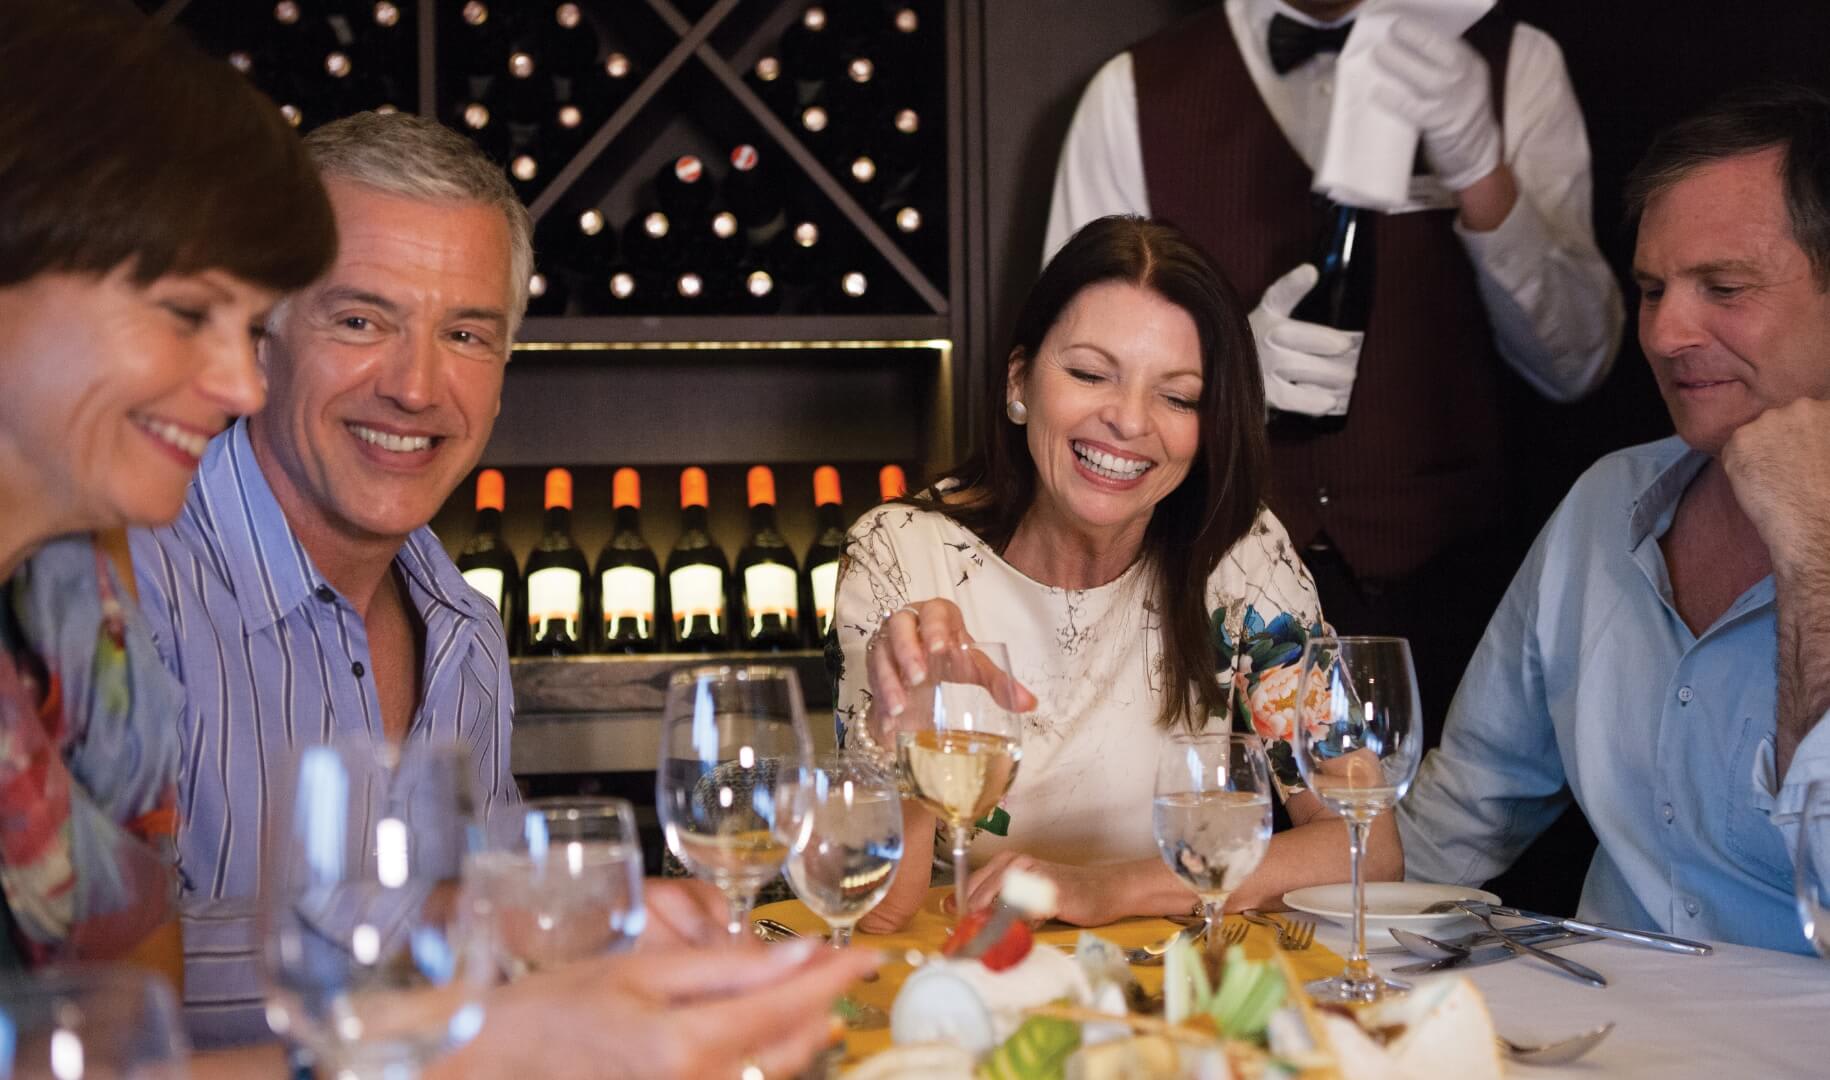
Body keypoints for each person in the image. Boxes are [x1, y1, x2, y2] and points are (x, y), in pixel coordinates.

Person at [129, 108, 875, 1069]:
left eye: (466, 334)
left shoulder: (466, 634)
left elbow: (509, 976)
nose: (415, 386)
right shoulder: (120, 594)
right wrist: (464, 926)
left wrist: (592, 935)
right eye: (361, 321)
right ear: (259, 334)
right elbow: (77, 987)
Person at [1044, 0, 1625, 749]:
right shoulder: (1131, 92)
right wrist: (1223, 378)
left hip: (1457, 618)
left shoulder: (1519, 64)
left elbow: (1578, 365)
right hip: (1204, 618)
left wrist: (1483, 173)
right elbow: (1070, 378)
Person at [835, 215, 1401, 932]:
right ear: (1019, 381)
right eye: (1090, 374)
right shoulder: (898, 553)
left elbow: (1368, 848)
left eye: (1178, 397)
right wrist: (907, 736)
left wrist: (1107, 890)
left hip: (1167, 982)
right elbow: (877, 912)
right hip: (963, 975)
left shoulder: (1241, 554)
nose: (1130, 421)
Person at [1397, 84, 1830, 953]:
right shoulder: (1607, 501)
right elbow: (1460, 815)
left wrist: (1812, 551)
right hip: (1596, 1016)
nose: (1665, 333)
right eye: (1653, 289)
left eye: (1723, 287)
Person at [0, 0, 333, 980]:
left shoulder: (80, 613)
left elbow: (128, 1028)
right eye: (188, 312)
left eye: (252, 328)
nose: (244, 386)